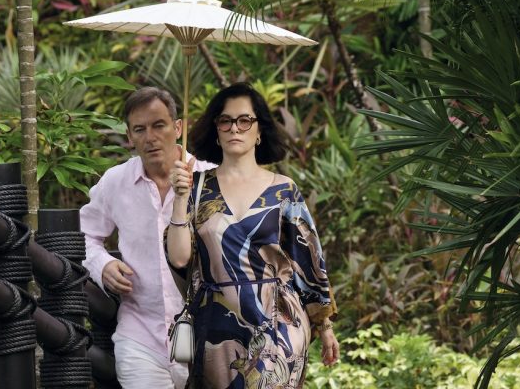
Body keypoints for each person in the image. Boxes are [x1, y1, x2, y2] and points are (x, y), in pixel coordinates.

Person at [166, 82, 340, 389]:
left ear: (259, 131)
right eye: (226, 120)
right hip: (216, 328)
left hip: (279, 323)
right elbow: (179, 259)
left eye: (244, 120)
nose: (235, 128)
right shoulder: (195, 188)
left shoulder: (284, 190)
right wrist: (180, 198)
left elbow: (309, 261)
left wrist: (324, 326)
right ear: (216, 130)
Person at [80, 87, 215, 389]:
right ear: (129, 136)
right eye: (139, 129)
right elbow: (83, 235)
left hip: (208, 335)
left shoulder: (212, 180)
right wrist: (102, 265)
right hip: (140, 336)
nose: (150, 137)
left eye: (159, 125)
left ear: (177, 128)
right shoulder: (116, 182)